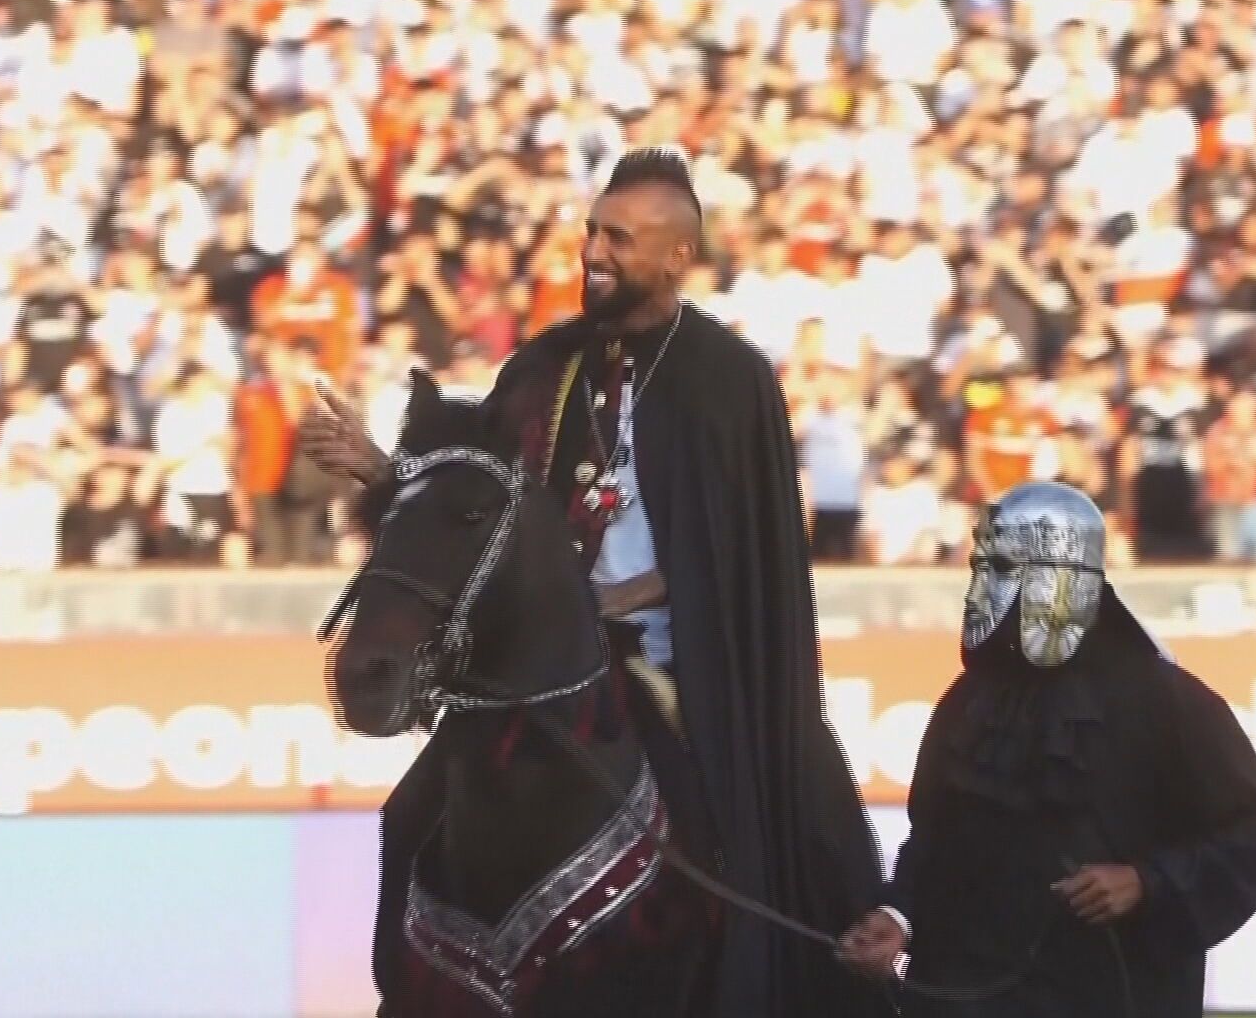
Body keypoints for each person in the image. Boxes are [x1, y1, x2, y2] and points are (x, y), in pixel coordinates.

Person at [304, 147, 891, 1017]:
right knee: (411, 813)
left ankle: (850, 944)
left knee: (774, 803)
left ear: (677, 255)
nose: (594, 253)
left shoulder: (731, 383)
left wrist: (626, 598)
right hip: (533, 660)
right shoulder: (541, 369)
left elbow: (743, 563)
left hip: (671, 657)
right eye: (592, 232)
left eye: (619, 238)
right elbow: (481, 511)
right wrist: (383, 470)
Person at [837, 481, 1256, 1017]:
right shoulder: (970, 701)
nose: (979, 588)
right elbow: (934, 839)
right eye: (981, 568)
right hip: (966, 992)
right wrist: (898, 916)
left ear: (1061, 576)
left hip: (1107, 992)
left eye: (1004, 568)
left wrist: (1146, 881)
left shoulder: (1165, 699)